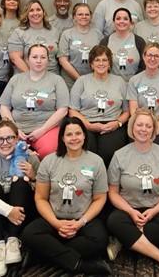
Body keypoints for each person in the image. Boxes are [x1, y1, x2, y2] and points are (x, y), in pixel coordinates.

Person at [21, 117, 112, 275]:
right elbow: (41, 198)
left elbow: (100, 199)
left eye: (78, 133)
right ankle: (79, 264)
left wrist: (80, 223)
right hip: (54, 217)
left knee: (100, 241)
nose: (74, 138)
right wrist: (56, 223)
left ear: (85, 136)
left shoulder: (96, 162)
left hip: (83, 219)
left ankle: (42, 254)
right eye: (69, 134)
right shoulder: (49, 161)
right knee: (28, 234)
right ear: (62, 138)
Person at [106, 109, 159, 273]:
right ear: (132, 127)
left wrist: (153, 211)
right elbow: (113, 192)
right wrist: (131, 212)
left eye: (148, 126)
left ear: (154, 130)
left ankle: (125, 240)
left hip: (156, 209)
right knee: (113, 221)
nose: (143, 129)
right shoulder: (119, 155)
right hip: (128, 210)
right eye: (139, 124)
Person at [0, 120, 39, 277]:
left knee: (20, 182)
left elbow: (44, 195)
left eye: (10, 138)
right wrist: (8, 211)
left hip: (23, 213)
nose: (5, 143)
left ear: (18, 139)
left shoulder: (30, 158)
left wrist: (33, 177)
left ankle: (12, 240)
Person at [0, 44, 69, 158]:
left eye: (43, 57)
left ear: (48, 60)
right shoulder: (16, 79)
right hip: (16, 129)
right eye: (35, 57)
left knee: (49, 152)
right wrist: (13, 128)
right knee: (2, 150)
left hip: (46, 129)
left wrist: (42, 130)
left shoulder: (57, 80)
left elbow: (63, 110)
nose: (39, 61)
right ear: (28, 59)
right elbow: (4, 106)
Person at [69, 45, 129, 167]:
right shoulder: (81, 81)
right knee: (88, 153)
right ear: (91, 63)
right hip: (86, 123)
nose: (101, 63)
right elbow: (72, 110)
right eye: (97, 60)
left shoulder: (120, 82)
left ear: (110, 63)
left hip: (112, 124)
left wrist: (117, 123)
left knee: (109, 153)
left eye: (104, 60)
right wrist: (88, 125)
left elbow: (127, 112)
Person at [127, 42, 159, 150]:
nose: (152, 59)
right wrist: (141, 129)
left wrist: (154, 131)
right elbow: (133, 110)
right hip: (140, 126)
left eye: (156, 56)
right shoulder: (134, 80)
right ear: (144, 57)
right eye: (149, 55)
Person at [8, 0, 61, 74]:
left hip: (52, 75)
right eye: (31, 10)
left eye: (38, 10)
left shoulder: (54, 31)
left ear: (43, 12)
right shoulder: (18, 32)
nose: (35, 13)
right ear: (27, 14)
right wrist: (32, 75)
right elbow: (15, 58)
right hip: (27, 76)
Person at [57, 3, 103, 89]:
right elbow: (63, 61)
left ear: (91, 16)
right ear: (74, 16)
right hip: (70, 82)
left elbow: (102, 58)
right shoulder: (67, 34)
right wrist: (80, 79)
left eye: (87, 14)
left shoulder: (97, 34)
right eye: (80, 14)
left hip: (93, 81)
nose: (84, 17)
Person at [99, 7, 146, 82]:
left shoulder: (139, 42)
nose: (122, 21)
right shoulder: (105, 42)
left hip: (135, 84)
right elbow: (100, 65)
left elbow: (144, 65)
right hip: (111, 85)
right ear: (113, 22)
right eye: (118, 18)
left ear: (130, 22)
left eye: (125, 19)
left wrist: (133, 81)